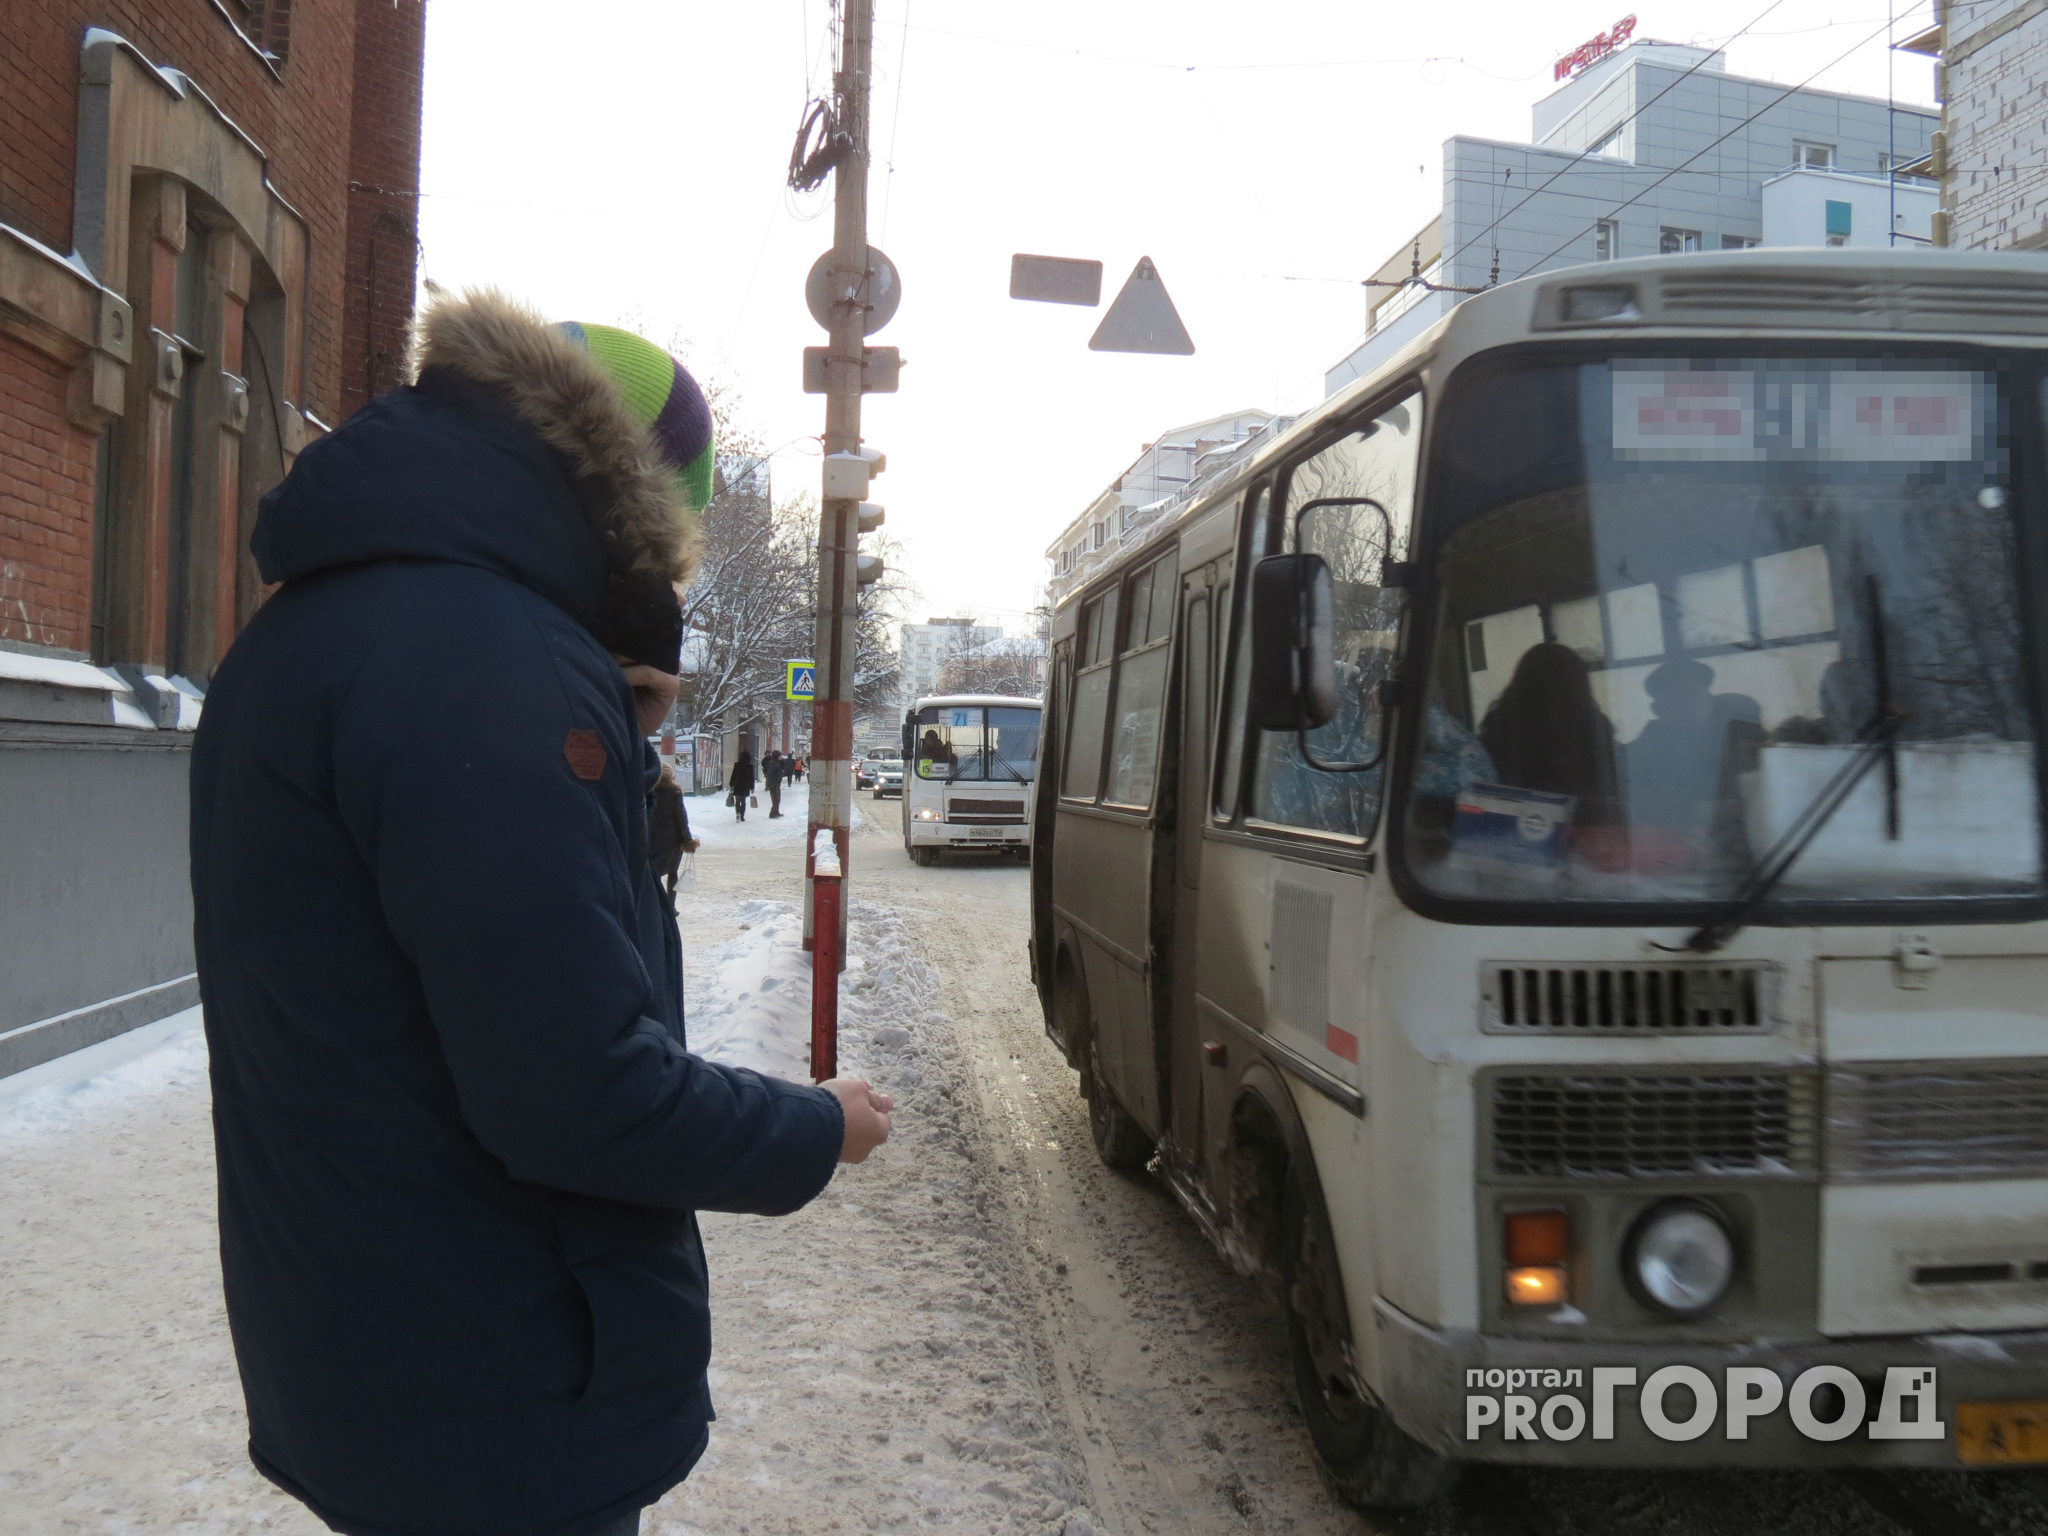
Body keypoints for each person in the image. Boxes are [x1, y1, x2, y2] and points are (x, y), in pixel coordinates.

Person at [189, 290, 894, 1536]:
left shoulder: (309, 630)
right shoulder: (496, 665)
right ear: (634, 503)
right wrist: (810, 1130)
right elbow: (579, 1097)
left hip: (370, 1335)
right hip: (500, 1374)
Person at [1478, 641, 1621, 822]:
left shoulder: (1500, 725)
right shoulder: (1594, 728)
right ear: (1578, 682)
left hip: (1512, 824)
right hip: (1584, 827)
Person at [650, 761, 695, 903]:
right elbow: (682, 819)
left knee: (654, 873)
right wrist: (688, 840)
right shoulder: (675, 793)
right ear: (671, 777)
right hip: (673, 840)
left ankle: (656, 905)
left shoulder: (649, 792)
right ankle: (670, 905)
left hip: (653, 838)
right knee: (672, 871)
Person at [729, 749, 756, 821]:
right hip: (745, 785)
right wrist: (752, 787)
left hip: (737, 784)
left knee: (737, 801)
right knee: (743, 801)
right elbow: (751, 777)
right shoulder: (750, 766)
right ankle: (742, 816)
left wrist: (731, 784)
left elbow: (733, 775)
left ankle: (737, 813)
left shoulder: (737, 765)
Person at [763, 749, 787, 818]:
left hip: (777, 783)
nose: (781, 757)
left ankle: (776, 812)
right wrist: (771, 784)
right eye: (780, 756)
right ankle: (772, 813)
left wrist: (782, 761)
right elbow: (769, 774)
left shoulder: (777, 763)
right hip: (773, 784)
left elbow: (784, 766)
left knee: (778, 799)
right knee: (775, 799)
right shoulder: (773, 764)